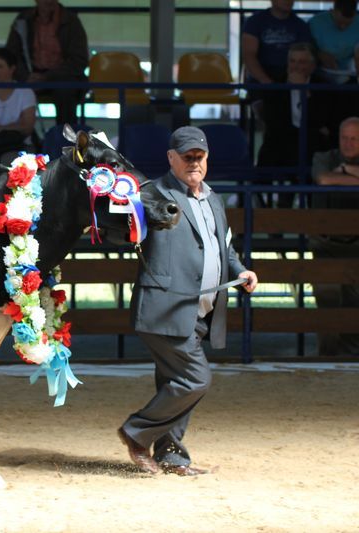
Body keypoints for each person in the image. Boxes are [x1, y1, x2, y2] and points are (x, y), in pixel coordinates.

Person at [119, 126, 259, 476]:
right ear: (171, 158)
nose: (194, 162)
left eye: (199, 156)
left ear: (207, 159)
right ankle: (136, 432)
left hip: (200, 311)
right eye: (187, 157)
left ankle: (172, 456)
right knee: (196, 379)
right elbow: (124, 228)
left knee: (175, 385)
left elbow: (222, 246)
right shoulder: (153, 194)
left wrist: (241, 271)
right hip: (166, 307)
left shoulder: (214, 198)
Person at [257, 43, 334, 207]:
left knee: (317, 157)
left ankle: (314, 220)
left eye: (302, 62)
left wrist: (304, 92)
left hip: (312, 143)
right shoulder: (276, 85)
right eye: (292, 62)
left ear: (312, 66)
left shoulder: (323, 86)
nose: (296, 67)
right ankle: (271, 217)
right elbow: (274, 122)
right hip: (282, 142)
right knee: (269, 160)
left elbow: (322, 119)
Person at [309, 116, 359, 355]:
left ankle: (351, 357)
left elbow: (334, 177)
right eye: (344, 138)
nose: (348, 144)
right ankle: (326, 358)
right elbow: (324, 178)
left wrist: (347, 171)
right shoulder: (324, 158)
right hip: (326, 243)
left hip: (357, 245)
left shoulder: (339, 163)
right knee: (326, 300)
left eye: (354, 139)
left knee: (355, 305)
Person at [4, 0, 88, 125]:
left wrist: (47, 77)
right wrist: (26, 76)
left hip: (62, 76)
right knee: (12, 91)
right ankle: (20, 137)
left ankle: (64, 139)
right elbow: (11, 55)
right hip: (30, 74)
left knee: (65, 91)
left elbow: (79, 60)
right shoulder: (23, 19)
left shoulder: (71, 21)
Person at [242, 0, 311, 105]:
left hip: (289, 72)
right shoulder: (255, 21)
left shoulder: (300, 25)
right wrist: (265, 81)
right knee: (262, 105)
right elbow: (249, 55)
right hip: (261, 74)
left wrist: (295, 78)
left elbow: (305, 57)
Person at [308, 0, 359, 83]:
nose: (343, 27)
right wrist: (318, 54)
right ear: (332, 11)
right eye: (339, 22)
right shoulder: (315, 23)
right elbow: (305, 46)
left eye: (348, 24)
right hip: (319, 72)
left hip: (349, 74)